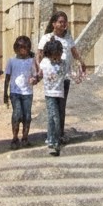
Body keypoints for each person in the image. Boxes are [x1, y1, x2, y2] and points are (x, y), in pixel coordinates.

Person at [37, 11, 86, 144]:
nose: (63, 24)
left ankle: (59, 134)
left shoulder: (68, 37)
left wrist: (81, 62)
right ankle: (52, 136)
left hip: (65, 77)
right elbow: (39, 55)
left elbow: (74, 52)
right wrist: (38, 71)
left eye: (65, 21)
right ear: (54, 24)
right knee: (53, 109)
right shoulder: (46, 38)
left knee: (61, 107)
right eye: (60, 21)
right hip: (52, 78)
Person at [3, 35, 39, 149]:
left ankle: (25, 138)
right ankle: (14, 138)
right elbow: (7, 78)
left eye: (25, 47)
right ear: (16, 48)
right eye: (20, 47)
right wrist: (5, 93)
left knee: (27, 115)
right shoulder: (11, 61)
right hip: (15, 92)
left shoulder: (31, 61)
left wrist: (35, 80)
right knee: (17, 114)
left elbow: (35, 75)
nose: (23, 50)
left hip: (27, 93)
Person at [39, 37, 67, 156]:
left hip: (59, 93)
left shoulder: (63, 62)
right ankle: (55, 142)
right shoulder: (45, 62)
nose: (56, 59)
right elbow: (39, 75)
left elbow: (69, 73)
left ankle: (50, 138)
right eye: (54, 57)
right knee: (54, 117)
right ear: (49, 55)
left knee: (53, 117)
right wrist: (34, 79)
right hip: (49, 94)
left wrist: (78, 76)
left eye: (58, 56)